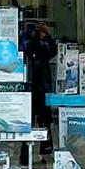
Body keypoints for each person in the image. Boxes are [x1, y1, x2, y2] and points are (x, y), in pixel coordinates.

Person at [25, 23, 57, 154]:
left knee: (42, 119)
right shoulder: (32, 46)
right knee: (32, 119)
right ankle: (30, 151)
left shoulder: (42, 47)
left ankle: (44, 147)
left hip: (40, 86)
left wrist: (47, 37)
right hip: (35, 86)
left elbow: (52, 51)